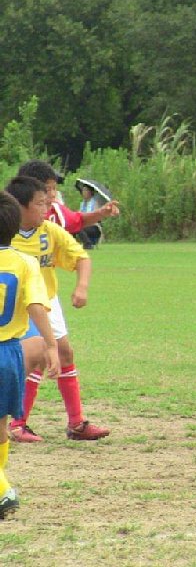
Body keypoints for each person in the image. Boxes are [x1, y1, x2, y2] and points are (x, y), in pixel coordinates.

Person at [5, 176, 109, 442]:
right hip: (19, 306)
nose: (47, 207)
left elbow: (81, 258)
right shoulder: (6, 234)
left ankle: (76, 423)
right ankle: (17, 423)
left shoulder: (50, 231)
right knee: (35, 354)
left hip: (46, 301)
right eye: (41, 202)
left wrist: (81, 287)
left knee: (63, 354)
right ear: (20, 205)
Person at [0, 191, 59, 518]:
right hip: (9, 354)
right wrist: (51, 345)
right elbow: (36, 305)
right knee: (1, 426)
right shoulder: (25, 262)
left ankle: (3, 490)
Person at [17, 161, 119, 238]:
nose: (53, 194)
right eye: (47, 189)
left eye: (55, 188)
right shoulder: (10, 215)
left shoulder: (56, 212)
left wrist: (101, 213)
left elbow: (79, 221)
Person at [76, 185, 103, 249]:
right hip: (84, 225)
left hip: (94, 226)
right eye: (83, 190)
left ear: (91, 192)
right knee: (73, 227)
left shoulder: (95, 203)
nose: (83, 192)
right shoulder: (82, 204)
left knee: (79, 228)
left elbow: (95, 216)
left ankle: (88, 244)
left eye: (86, 190)